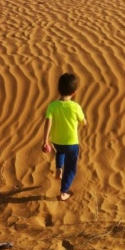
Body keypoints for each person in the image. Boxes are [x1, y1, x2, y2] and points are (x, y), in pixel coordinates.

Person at [41, 72, 87, 201]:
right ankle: (63, 192)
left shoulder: (52, 106)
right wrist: (83, 122)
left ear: (58, 90)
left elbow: (48, 123)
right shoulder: (76, 107)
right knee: (71, 169)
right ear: (74, 93)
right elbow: (84, 122)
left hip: (57, 142)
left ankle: (58, 169)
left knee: (60, 151)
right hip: (72, 143)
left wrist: (45, 141)